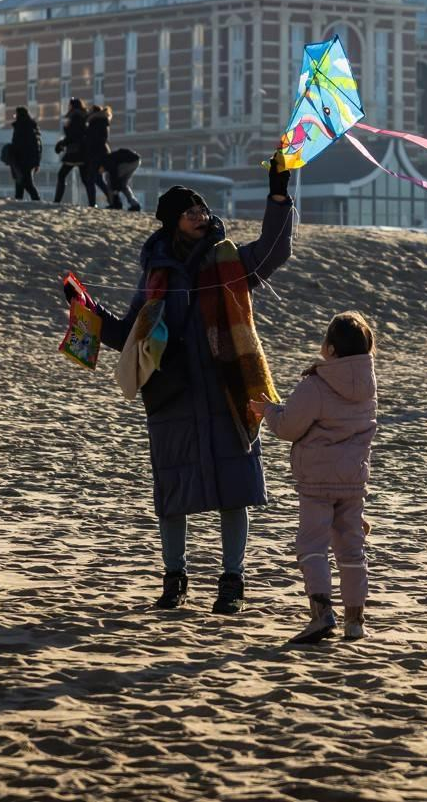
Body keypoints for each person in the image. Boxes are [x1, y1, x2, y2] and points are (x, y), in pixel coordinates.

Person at [96, 150, 295, 614]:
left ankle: (232, 581)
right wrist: (88, 313)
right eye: (190, 212)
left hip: (229, 388)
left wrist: (279, 193)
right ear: (171, 223)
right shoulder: (156, 274)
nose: (201, 216)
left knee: (235, 489)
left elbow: (274, 249)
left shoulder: (228, 259)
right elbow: (130, 335)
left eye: (202, 209)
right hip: (171, 395)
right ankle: (174, 578)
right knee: (173, 494)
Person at [251, 310, 379, 644]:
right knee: (351, 549)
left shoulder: (317, 384)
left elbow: (289, 426)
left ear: (332, 349)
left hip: (318, 481)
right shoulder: (368, 385)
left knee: (312, 546)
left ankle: (322, 614)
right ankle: (355, 620)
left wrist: (268, 411)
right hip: (353, 479)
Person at [51, 98, 87, 203]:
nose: (68, 107)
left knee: (61, 175)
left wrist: (62, 143)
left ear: (72, 106)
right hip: (81, 151)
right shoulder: (82, 115)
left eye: (69, 105)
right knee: (85, 179)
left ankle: (57, 200)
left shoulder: (75, 116)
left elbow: (73, 135)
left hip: (74, 151)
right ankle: (93, 201)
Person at [81, 104, 115, 208]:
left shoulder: (96, 122)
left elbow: (95, 139)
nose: (88, 112)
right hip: (100, 153)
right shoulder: (100, 122)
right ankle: (112, 200)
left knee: (90, 179)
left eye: (90, 111)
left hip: (97, 154)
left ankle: (92, 203)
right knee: (98, 180)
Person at [8, 106, 43, 201]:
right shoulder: (32, 126)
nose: (15, 117)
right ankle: (19, 200)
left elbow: (18, 144)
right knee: (21, 182)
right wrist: (37, 162)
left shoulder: (22, 126)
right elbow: (38, 146)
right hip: (28, 160)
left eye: (16, 115)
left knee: (26, 183)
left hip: (23, 159)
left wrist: (12, 154)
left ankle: (36, 200)